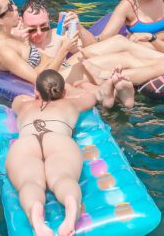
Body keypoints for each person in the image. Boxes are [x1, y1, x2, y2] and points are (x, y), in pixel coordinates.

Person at [0, 0, 134, 108]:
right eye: (9, 7)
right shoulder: (4, 49)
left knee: (118, 44)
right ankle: (155, 66)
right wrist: (64, 49)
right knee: (123, 56)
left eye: (11, 2)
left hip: (63, 67)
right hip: (60, 74)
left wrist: (17, 38)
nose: (14, 7)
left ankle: (111, 93)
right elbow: (41, 79)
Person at [6, 70, 98, 236]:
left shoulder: (24, 104)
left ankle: (36, 216)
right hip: (58, 139)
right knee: (63, 178)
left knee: (29, 182)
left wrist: (34, 96)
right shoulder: (71, 104)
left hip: (26, 142)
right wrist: (70, 93)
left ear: (36, 92)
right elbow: (92, 97)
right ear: (63, 92)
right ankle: (70, 206)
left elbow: (16, 100)